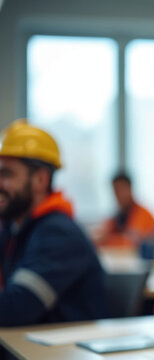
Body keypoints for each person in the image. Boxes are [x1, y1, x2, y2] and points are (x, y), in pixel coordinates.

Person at [0, 120, 106, 325]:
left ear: (40, 180)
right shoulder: (14, 229)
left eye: (6, 174)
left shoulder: (58, 232)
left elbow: (16, 309)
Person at [96, 171, 154, 248]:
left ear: (130, 189)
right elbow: (102, 236)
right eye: (116, 191)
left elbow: (131, 241)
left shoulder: (142, 213)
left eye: (121, 190)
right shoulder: (119, 216)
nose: (119, 195)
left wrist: (107, 239)